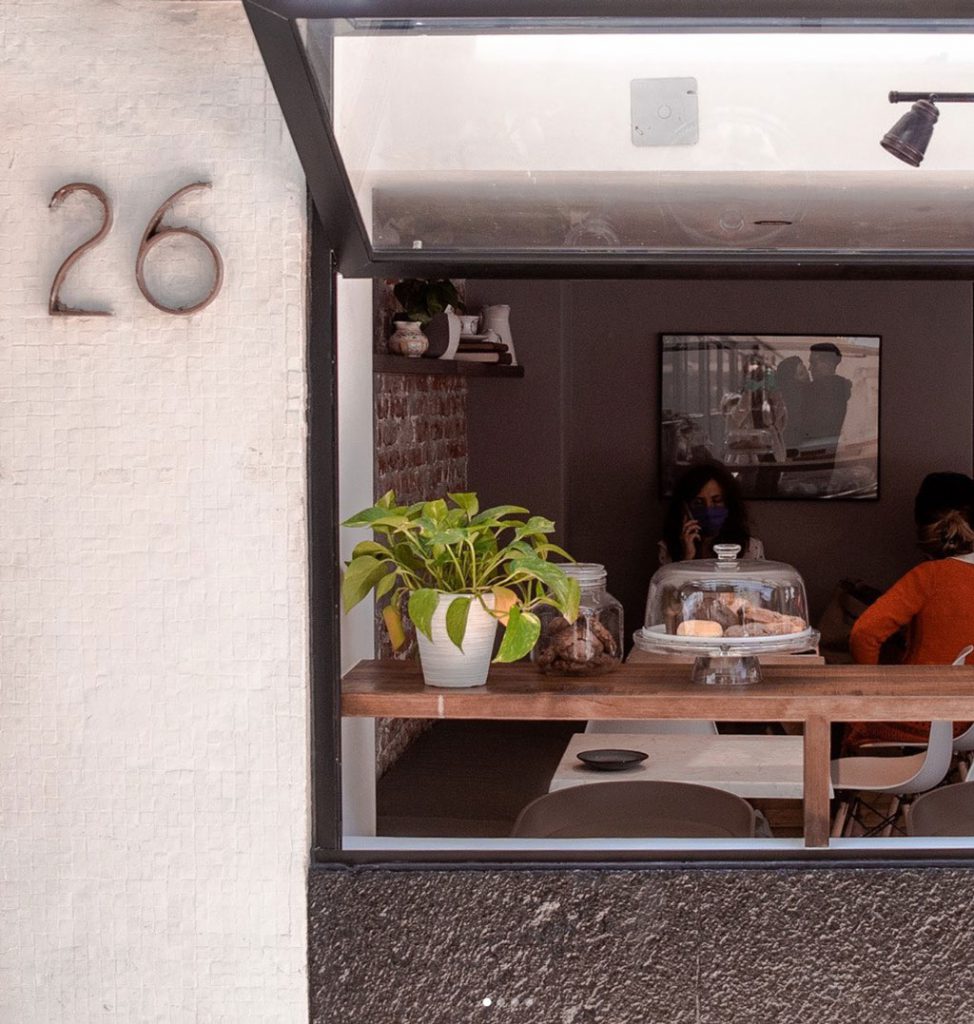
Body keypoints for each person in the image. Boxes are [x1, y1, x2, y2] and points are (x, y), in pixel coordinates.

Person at [845, 472, 974, 751]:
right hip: (970, 725)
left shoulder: (930, 576)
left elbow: (864, 634)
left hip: (925, 717)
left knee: (846, 715)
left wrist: (871, 689)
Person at [659, 461, 765, 564]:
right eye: (698, 503)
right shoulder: (668, 548)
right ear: (685, 508)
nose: (708, 509)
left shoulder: (751, 548)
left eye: (716, 501)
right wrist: (687, 557)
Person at [801, 342, 852, 453]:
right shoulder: (840, 387)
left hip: (813, 451)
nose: (810, 368)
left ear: (828, 364)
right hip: (827, 450)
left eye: (813, 363)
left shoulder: (818, 389)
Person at [775, 355, 810, 455]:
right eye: (801, 374)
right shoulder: (797, 399)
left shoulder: (779, 399)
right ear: (790, 381)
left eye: (805, 370)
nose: (807, 375)